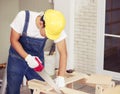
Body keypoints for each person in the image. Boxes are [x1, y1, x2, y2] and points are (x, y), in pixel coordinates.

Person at [6, 9, 67, 94]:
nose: (48, 37)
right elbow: (13, 41)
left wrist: (61, 76)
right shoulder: (23, 17)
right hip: (17, 58)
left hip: (36, 61)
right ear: (41, 24)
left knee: (40, 89)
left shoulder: (55, 27)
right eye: (47, 34)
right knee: (12, 90)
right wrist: (28, 58)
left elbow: (63, 53)